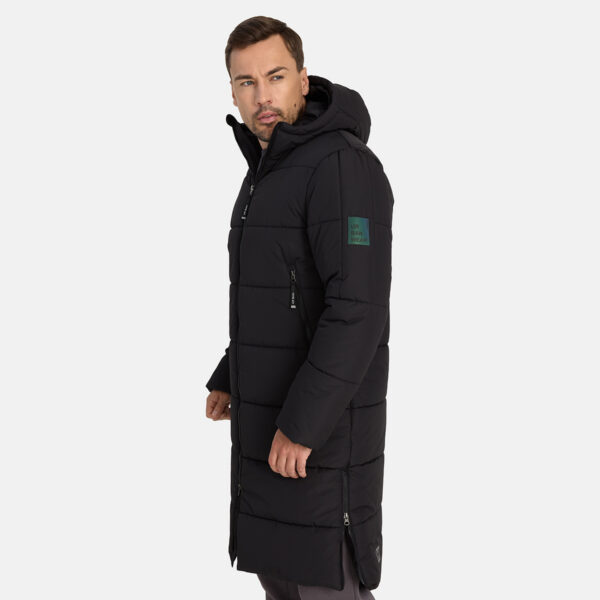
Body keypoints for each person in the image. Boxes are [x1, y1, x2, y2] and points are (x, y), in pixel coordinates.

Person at [205, 15, 394, 599]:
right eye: (246, 82)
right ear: (232, 91)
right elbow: (277, 293)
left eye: (276, 76)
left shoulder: (341, 165)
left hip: (318, 443)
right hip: (269, 436)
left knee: (325, 584)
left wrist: (303, 425)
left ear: (304, 80)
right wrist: (232, 372)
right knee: (282, 585)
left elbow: (356, 309)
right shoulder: (268, 171)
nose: (262, 96)